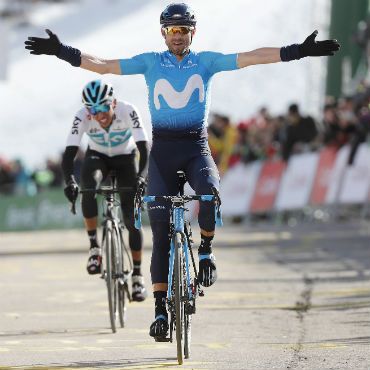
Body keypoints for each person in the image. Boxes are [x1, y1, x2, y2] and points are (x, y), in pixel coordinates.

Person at [24, 2, 340, 338]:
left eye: (184, 30)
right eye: (172, 30)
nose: (178, 36)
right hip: (162, 153)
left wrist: (297, 51)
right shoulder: (149, 62)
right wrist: (61, 51)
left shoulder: (205, 62)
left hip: (195, 148)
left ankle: (205, 250)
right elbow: (102, 66)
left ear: (192, 32)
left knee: (209, 192)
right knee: (160, 236)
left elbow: (252, 57)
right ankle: (160, 311)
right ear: (163, 33)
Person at [61, 80, 150, 302]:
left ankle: (137, 275)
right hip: (97, 156)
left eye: (103, 108)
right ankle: (94, 248)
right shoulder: (82, 116)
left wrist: (141, 178)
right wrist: (69, 180)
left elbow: (144, 149)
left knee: (131, 218)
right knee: (88, 187)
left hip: (126, 158)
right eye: (93, 110)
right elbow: (69, 152)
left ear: (114, 103)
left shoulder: (128, 110)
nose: (99, 115)